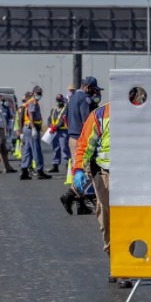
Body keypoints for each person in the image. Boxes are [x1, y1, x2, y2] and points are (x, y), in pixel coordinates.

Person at [73, 102, 132, 288]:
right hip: (104, 175)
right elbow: (85, 144)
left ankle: (124, 268)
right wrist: (78, 170)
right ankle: (114, 259)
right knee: (106, 221)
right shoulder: (100, 115)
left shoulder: (139, 110)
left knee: (126, 222)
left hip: (130, 176)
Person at [59, 76, 103, 213]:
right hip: (82, 139)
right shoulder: (84, 98)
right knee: (87, 171)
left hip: (72, 137)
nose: (95, 93)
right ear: (88, 87)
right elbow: (87, 121)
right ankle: (70, 194)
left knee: (78, 168)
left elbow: (64, 117)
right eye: (94, 90)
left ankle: (81, 205)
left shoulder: (72, 99)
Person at [19, 86, 51, 180]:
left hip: (27, 128)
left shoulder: (30, 102)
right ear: (33, 93)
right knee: (36, 150)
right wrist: (33, 128)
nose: (39, 95)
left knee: (27, 150)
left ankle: (24, 171)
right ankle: (40, 171)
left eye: (40, 93)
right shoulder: (33, 102)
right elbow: (31, 115)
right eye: (37, 93)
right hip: (31, 128)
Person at [46, 94, 69, 173]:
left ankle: (67, 165)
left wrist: (56, 126)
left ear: (63, 101)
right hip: (54, 132)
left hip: (63, 132)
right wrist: (50, 126)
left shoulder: (65, 109)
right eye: (57, 100)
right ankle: (55, 165)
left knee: (64, 149)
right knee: (56, 149)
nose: (58, 102)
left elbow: (63, 120)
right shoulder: (53, 110)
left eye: (60, 100)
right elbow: (49, 119)